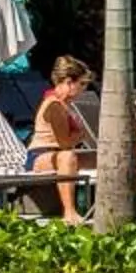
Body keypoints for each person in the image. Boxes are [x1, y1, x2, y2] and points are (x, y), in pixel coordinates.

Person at [26, 55, 94, 220]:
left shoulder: (67, 104)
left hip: (58, 154)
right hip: (40, 155)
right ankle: (69, 212)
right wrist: (81, 134)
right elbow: (64, 143)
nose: (84, 89)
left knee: (107, 157)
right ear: (69, 82)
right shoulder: (54, 105)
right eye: (82, 84)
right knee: (67, 157)